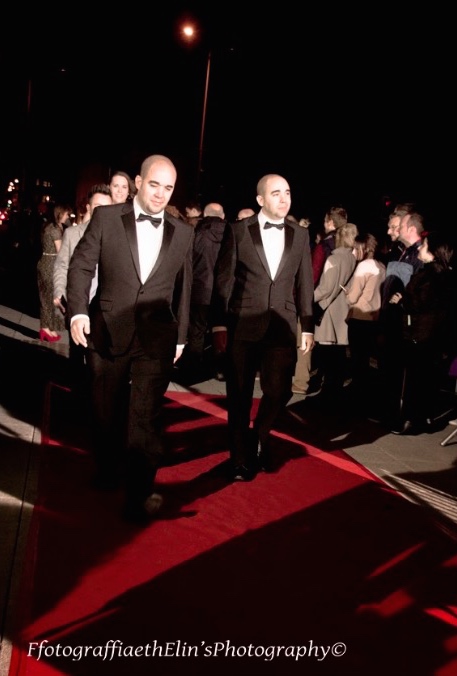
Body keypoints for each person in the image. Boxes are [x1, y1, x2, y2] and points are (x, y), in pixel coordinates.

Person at [67, 154, 194, 523]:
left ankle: (138, 496)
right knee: (105, 411)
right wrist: (77, 310)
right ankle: (108, 467)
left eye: (168, 187)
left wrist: (182, 336)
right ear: (139, 181)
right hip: (107, 328)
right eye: (154, 184)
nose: (160, 194)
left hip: (157, 337)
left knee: (146, 419)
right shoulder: (107, 217)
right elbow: (81, 264)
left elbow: (186, 290)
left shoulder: (183, 232)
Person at [211, 173, 314, 481]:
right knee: (239, 396)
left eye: (288, 192)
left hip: (282, 326)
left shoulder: (300, 235)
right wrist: (218, 324)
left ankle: (260, 435)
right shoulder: (238, 231)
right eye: (276, 193)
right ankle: (240, 459)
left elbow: (305, 283)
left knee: (280, 391)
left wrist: (307, 325)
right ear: (260, 200)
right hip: (243, 324)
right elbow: (223, 280)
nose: (284, 199)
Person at [390, 231, 456, 434]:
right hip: (433, 335)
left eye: (424, 245)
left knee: (416, 379)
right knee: (428, 379)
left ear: (434, 251)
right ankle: (423, 417)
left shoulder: (431, 275)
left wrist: (402, 300)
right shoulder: (444, 275)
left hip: (421, 334)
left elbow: (421, 303)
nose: (420, 247)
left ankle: (413, 419)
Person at [53, 184, 112, 392]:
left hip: (103, 308)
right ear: (88, 207)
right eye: (97, 206)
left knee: (98, 360)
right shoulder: (72, 233)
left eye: (106, 207)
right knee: (77, 354)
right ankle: (77, 393)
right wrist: (59, 291)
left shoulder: (116, 237)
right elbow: (62, 265)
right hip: (77, 303)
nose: (101, 212)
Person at [176, 202, 227, 381]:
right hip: (223, 292)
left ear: (204, 215)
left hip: (200, 289)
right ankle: (220, 368)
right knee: (221, 329)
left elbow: (188, 261)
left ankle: (193, 368)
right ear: (222, 216)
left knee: (196, 331)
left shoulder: (196, 233)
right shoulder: (231, 234)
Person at [313, 222, 358, 401]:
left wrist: (307, 298)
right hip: (343, 310)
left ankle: (328, 393)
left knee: (327, 354)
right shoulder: (352, 258)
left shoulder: (334, 259)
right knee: (338, 354)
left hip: (328, 311)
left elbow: (325, 288)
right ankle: (335, 390)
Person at [344, 233, 386, 410]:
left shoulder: (363, 266)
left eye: (355, 248)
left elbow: (353, 297)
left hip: (360, 316)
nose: (353, 252)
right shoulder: (381, 266)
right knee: (366, 358)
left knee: (357, 358)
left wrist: (347, 293)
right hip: (374, 317)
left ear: (364, 248)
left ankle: (357, 397)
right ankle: (365, 396)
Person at [36, 203, 72, 342]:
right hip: (50, 264)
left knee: (47, 297)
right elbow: (60, 251)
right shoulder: (55, 230)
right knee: (48, 299)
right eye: (66, 214)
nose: (67, 216)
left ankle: (48, 328)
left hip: (44, 261)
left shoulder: (49, 226)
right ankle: (45, 329)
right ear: (60, 213)